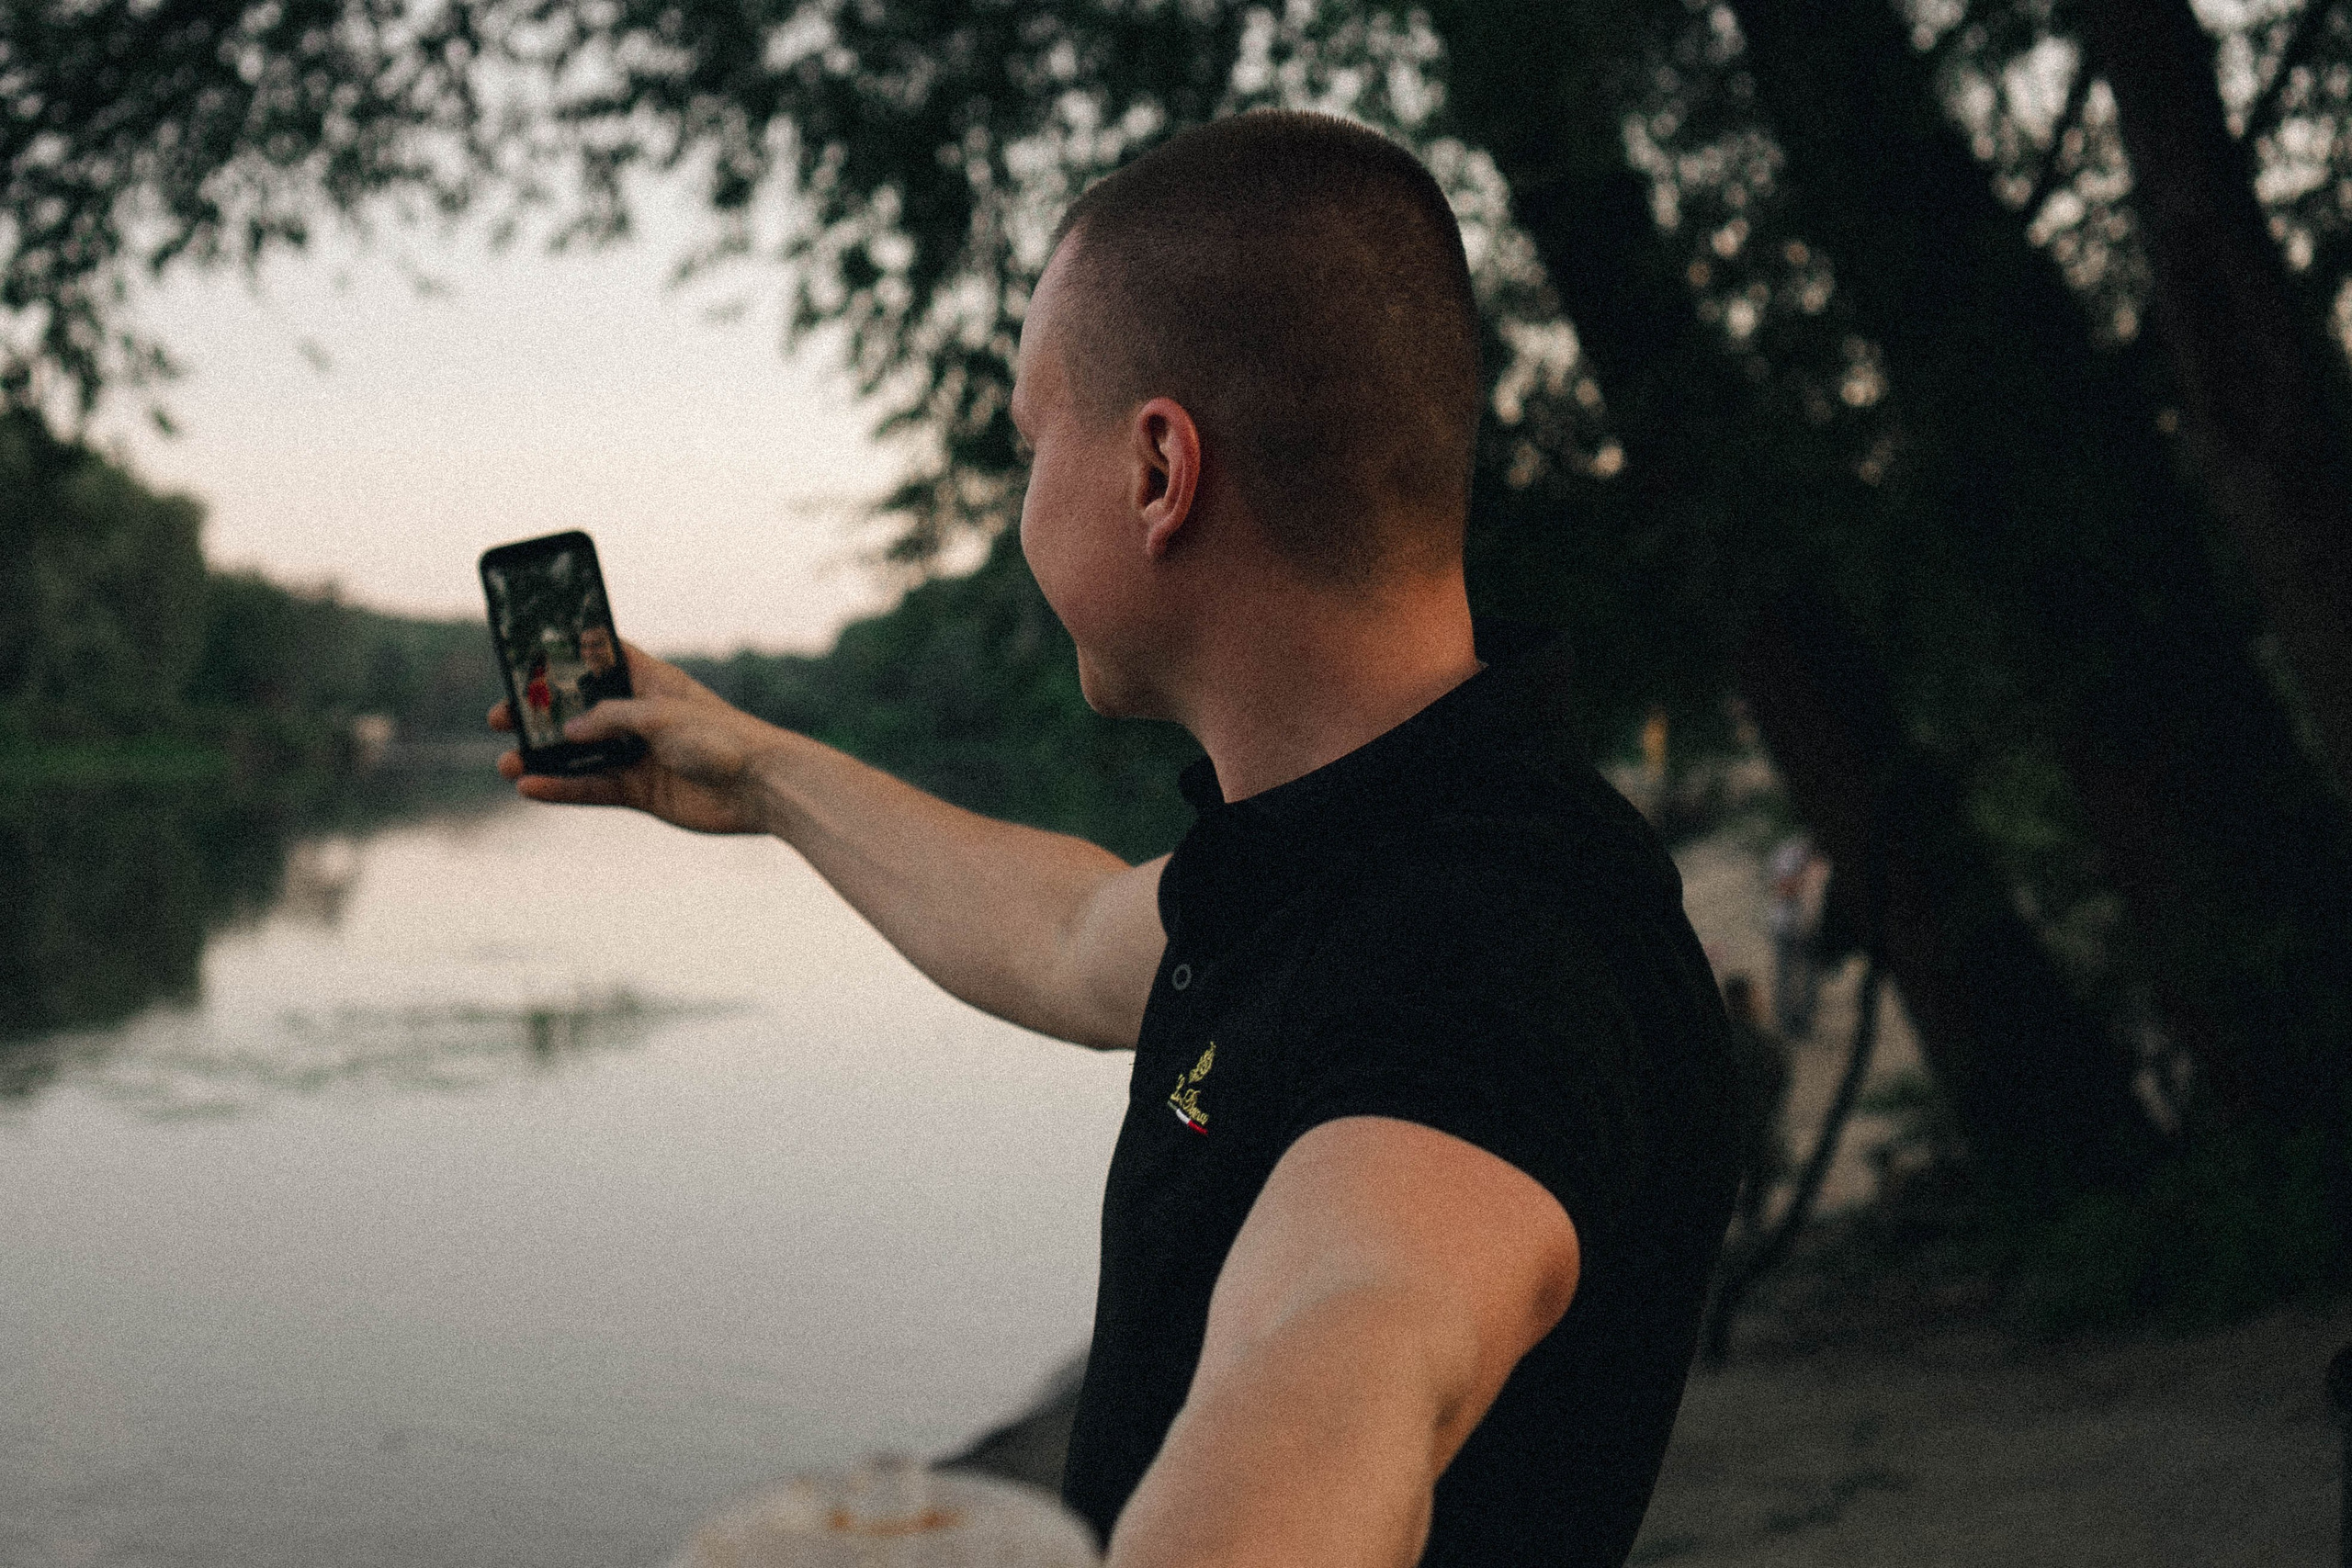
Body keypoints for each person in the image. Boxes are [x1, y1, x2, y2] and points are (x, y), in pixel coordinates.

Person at [492, 110, 1739, 1568]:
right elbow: (1068, 932)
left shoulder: (1486, 958)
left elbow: (1338, 1360)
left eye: (1033, 443)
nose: (1024, 508)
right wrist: (760, 771)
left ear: (1158, 471)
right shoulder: (1363, 849)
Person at [573, 624, 628, 708]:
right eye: (584, 646)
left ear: (613, 646)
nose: (589, 652)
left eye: (597, 645)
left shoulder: (628, 681)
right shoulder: (585, 683)